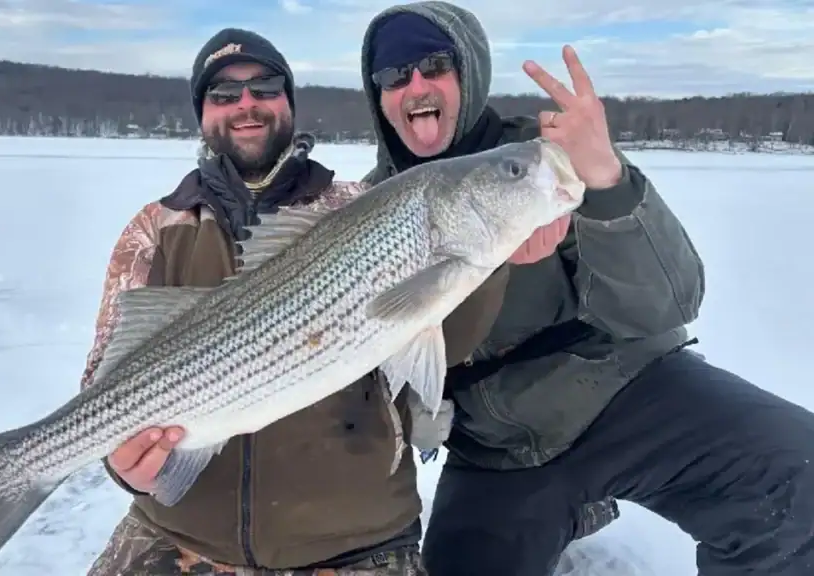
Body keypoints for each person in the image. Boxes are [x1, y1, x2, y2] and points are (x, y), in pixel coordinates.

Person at [359, 2, 814, 575]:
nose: (415, 85)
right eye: (394, 76)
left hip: (623, 393)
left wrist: (606, 181)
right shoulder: (364, 208)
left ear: (467, 72)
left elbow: (669, 302)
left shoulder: (538, 159)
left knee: (798, 478)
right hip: (497, 450)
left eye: (433, 65)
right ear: (378, 97)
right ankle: (564, 513)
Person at [79, 27, 508, 575]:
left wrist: (495, 258)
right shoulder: (156, 229)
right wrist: (124, 465)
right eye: (224, 94)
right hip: (179, 537)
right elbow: (104, 381)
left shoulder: (362, 208)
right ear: (202, 113)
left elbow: (448, 338)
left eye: (265, 86)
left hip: (358, 543)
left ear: (289, 101)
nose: (246, 105)